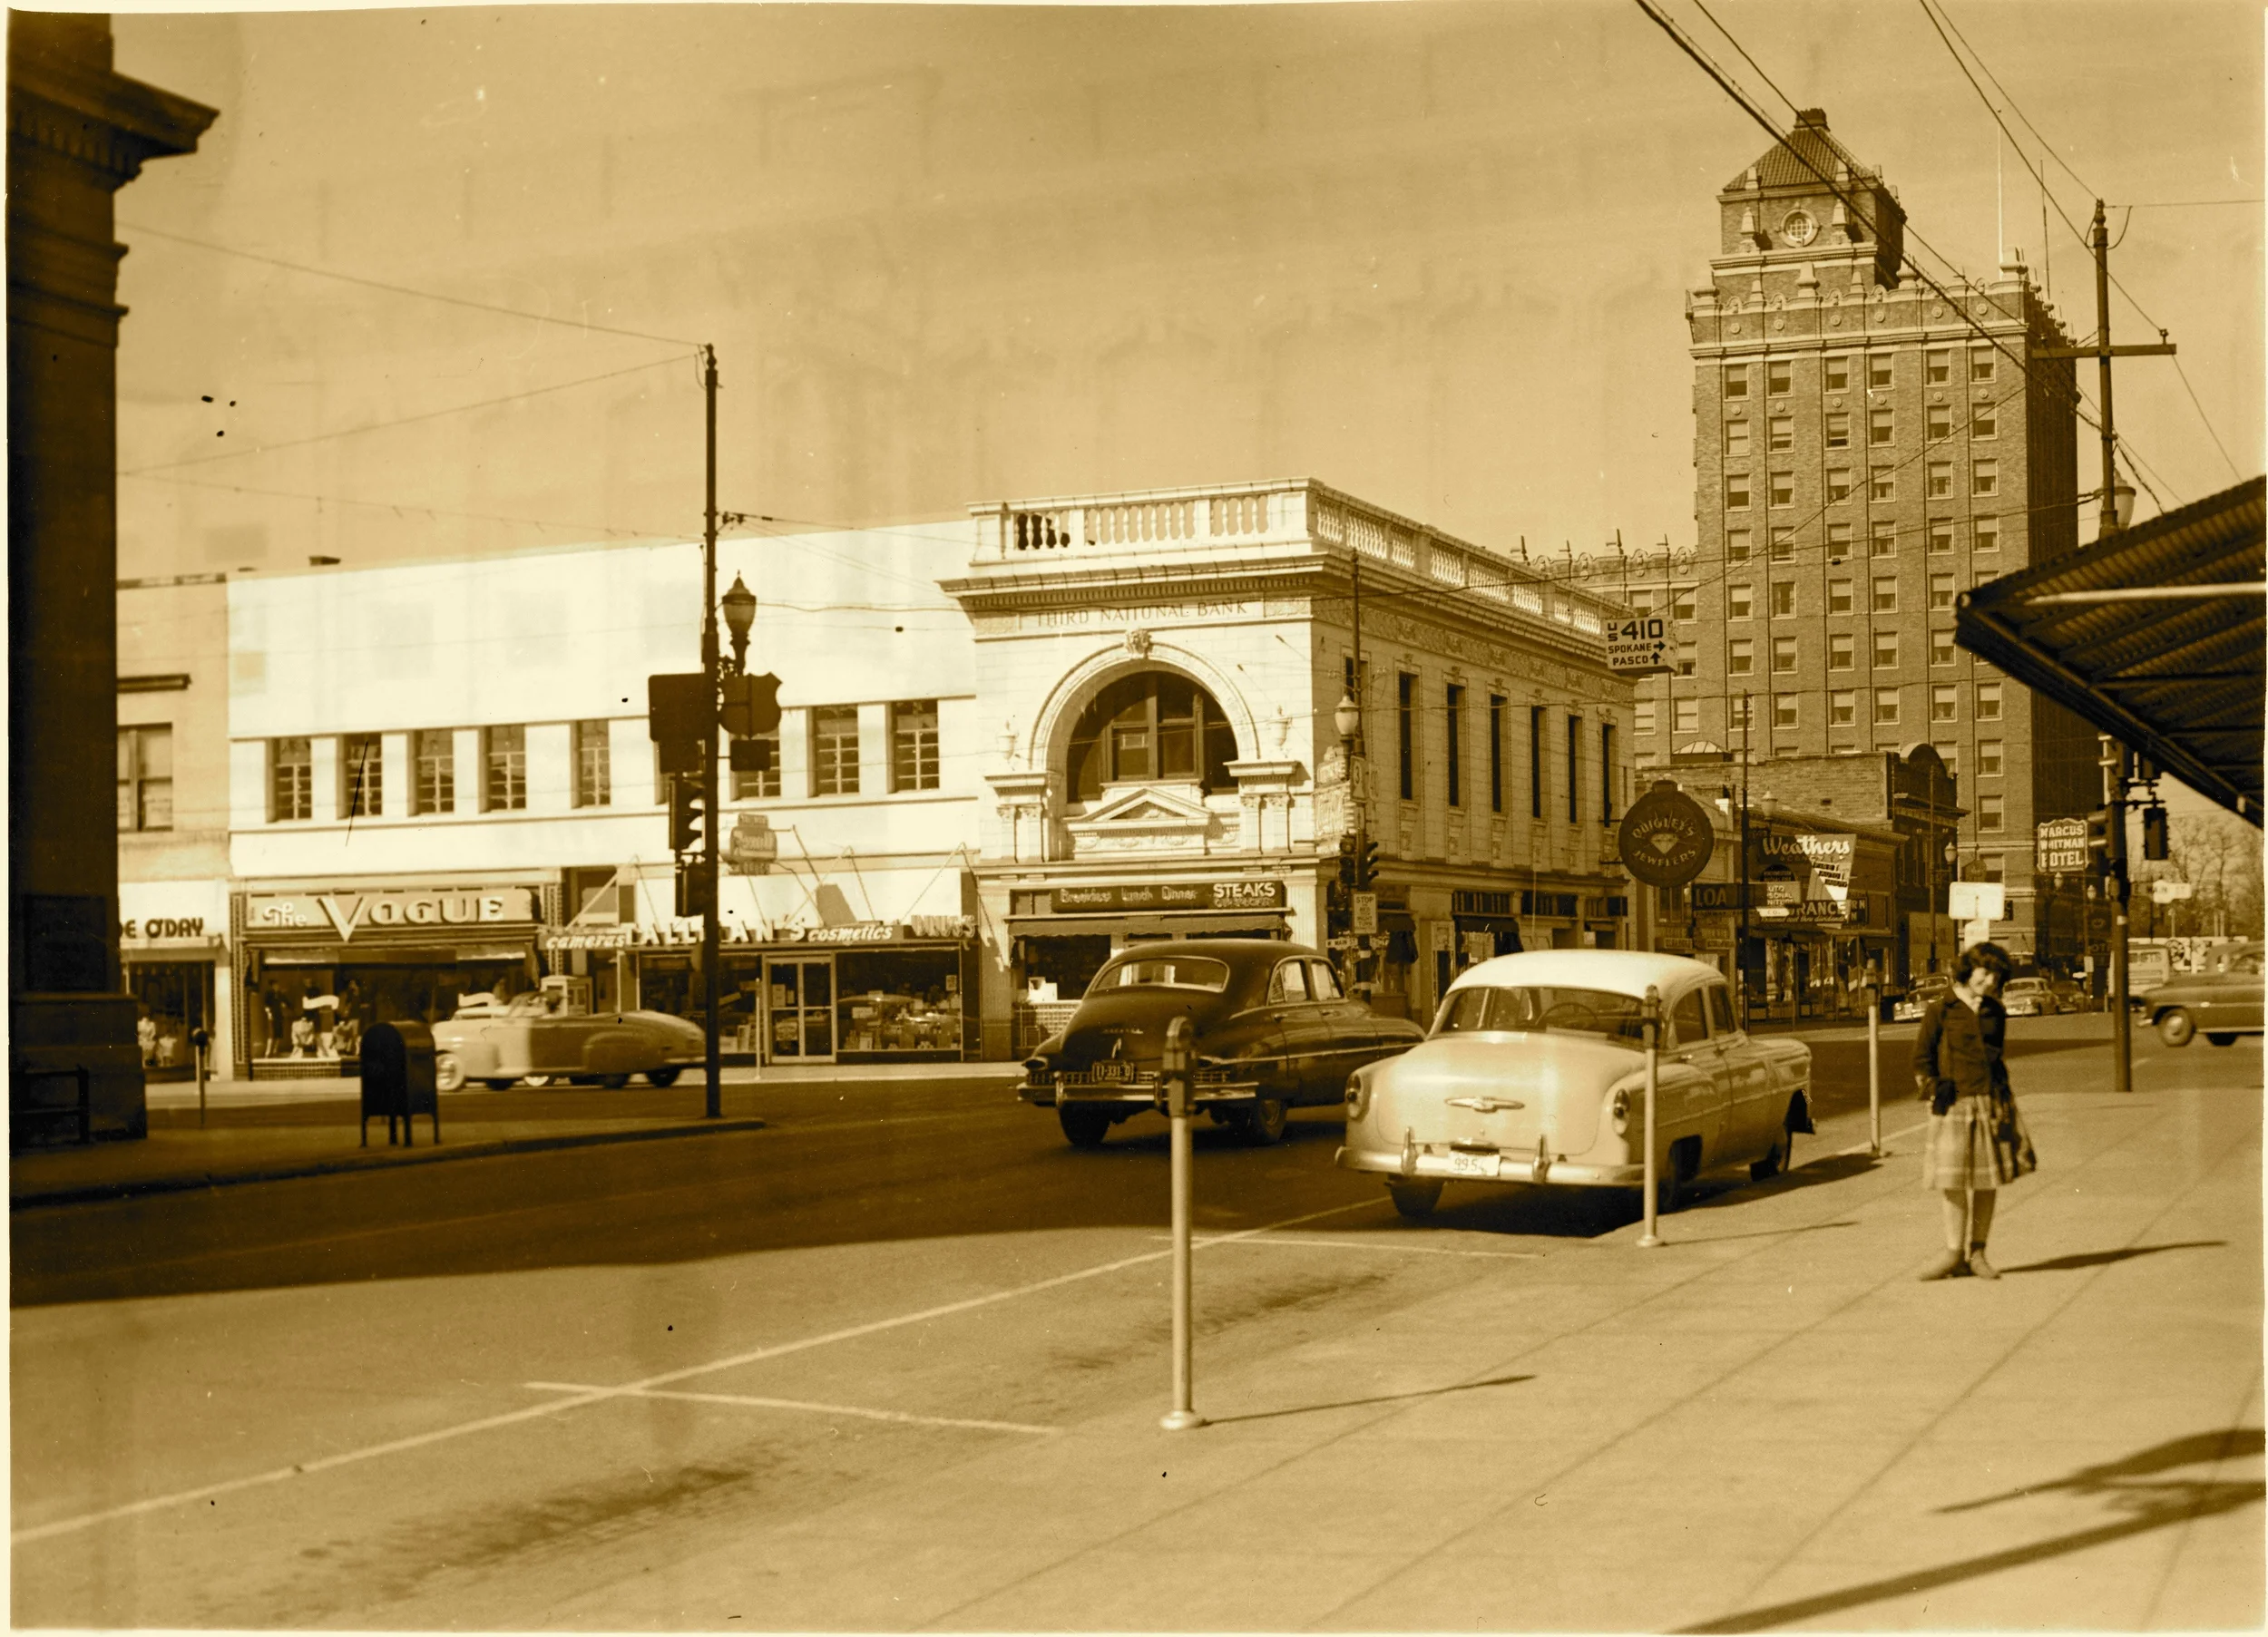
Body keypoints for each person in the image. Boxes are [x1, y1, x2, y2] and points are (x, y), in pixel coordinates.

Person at [1912, 940, 2021, 1280]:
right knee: (1952, 1182)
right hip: (1953, 1104)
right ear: (1968, 969)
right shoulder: (1940, 1010)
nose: (1989, 982)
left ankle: (1978, 1253)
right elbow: (1922, 1058)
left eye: (1996, 977)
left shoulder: (1995, 1011)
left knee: (1987, 1181)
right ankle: (1953, 1253)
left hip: (1989, 1101)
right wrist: (1933, 1090)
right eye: (1985, 973)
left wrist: (2002, 1102)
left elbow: (1995, 1057)